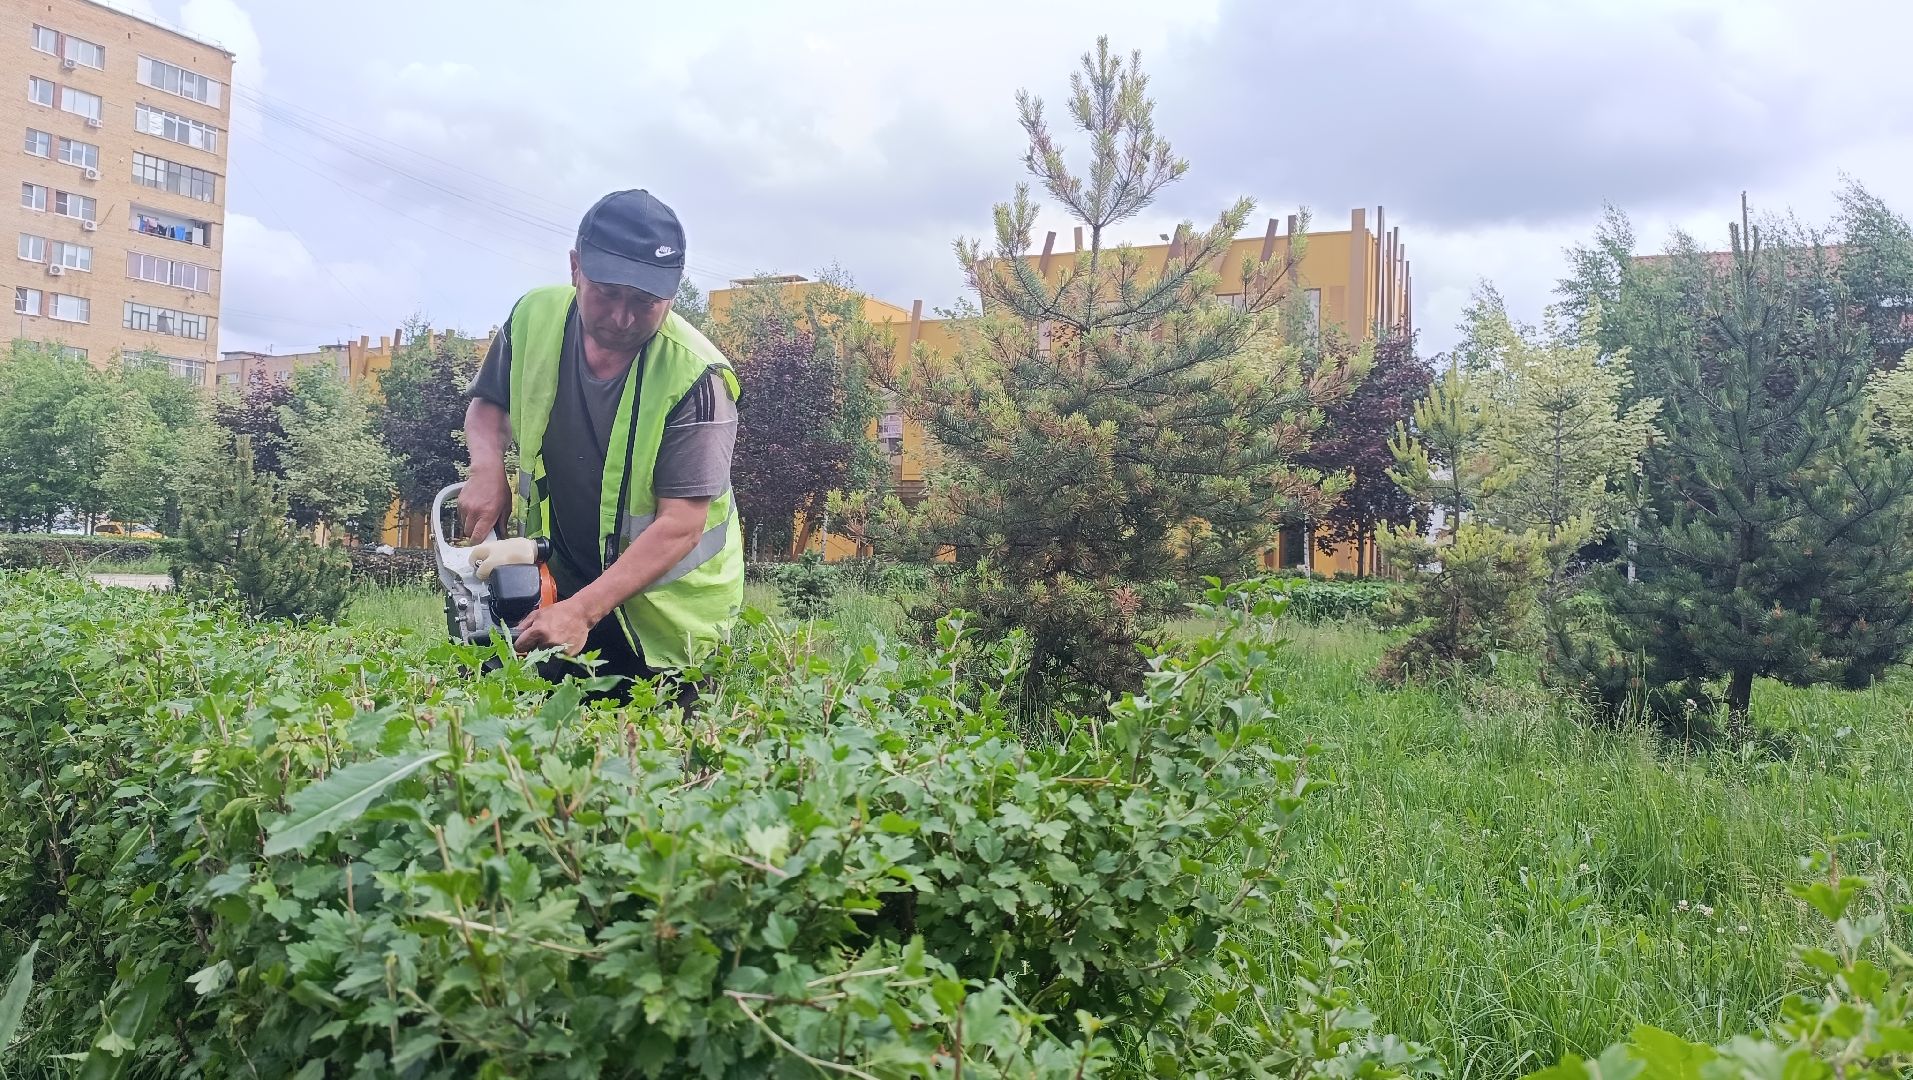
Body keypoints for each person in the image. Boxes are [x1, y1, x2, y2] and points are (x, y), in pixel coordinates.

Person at [461, 189, 742, 703]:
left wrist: (583, 611)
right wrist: (486, 468)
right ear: (575, 269)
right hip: (560, 585)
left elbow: (681, 524)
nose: (622, 316)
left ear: (673, 294)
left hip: (665, 622)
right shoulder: (533, 318)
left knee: (661, 768)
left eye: (644, 301)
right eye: (607, 293)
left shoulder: (698, 379)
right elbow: (487, 407)